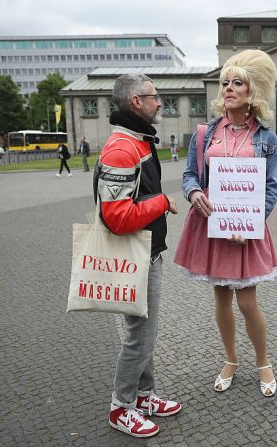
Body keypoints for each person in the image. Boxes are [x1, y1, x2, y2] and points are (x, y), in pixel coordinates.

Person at [174, 49, 277, 398]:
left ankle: (263, 361)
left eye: (238, 83)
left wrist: (251, 223)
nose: (229, 89)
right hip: (210, 224)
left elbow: (272, 187)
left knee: (247, 301)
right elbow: (190, 174)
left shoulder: (266, 138)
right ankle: (231, 359)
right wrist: (193, 194)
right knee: (221, 298)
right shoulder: (205, 132)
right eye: (225, 83)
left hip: (244, 230)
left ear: (253, 92)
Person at [95, 74, 181, 438]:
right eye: (154, 97)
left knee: (144, 332)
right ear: (136, 102)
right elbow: (115, 217)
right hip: (135, 252)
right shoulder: (122, 149)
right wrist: (162, 202)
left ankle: (144, 395)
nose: (160, 102)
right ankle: (122, 406)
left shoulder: (139, 142)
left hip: (147, 249)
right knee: (139, 337)